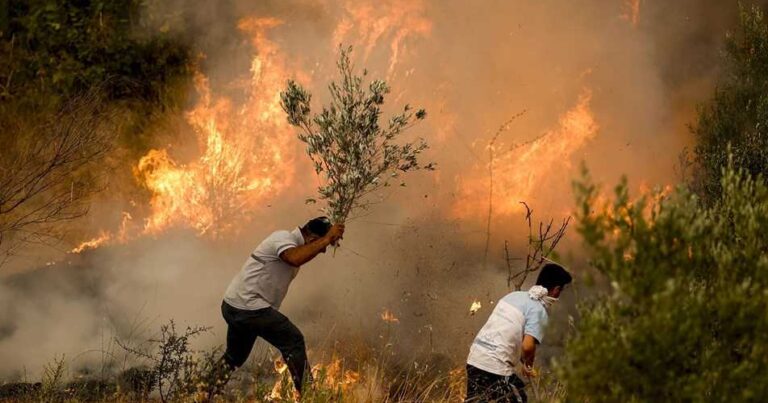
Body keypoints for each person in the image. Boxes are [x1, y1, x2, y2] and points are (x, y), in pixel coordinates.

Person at [212, 216, 344, 396]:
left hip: (235, 305)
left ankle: (200, 392)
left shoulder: (293, 243)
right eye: (322, 246)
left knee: (234, 357)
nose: (323, 251)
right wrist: (327, 239)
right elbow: (294, 258)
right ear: (312, 238)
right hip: (248, 307)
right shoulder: (282, 238)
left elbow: (301, 255)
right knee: (293, 340)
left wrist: (327, 239)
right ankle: (309, 397)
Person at [465, 263, 572, 403]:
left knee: (476, 400)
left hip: (475, 359)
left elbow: (509, 335)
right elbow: (527, 346)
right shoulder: (539, 310)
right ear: (556, 290)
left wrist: (523, 359)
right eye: (561, 290)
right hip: (495, 368)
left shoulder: (513, 296)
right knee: (519, 398)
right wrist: (528, 365)